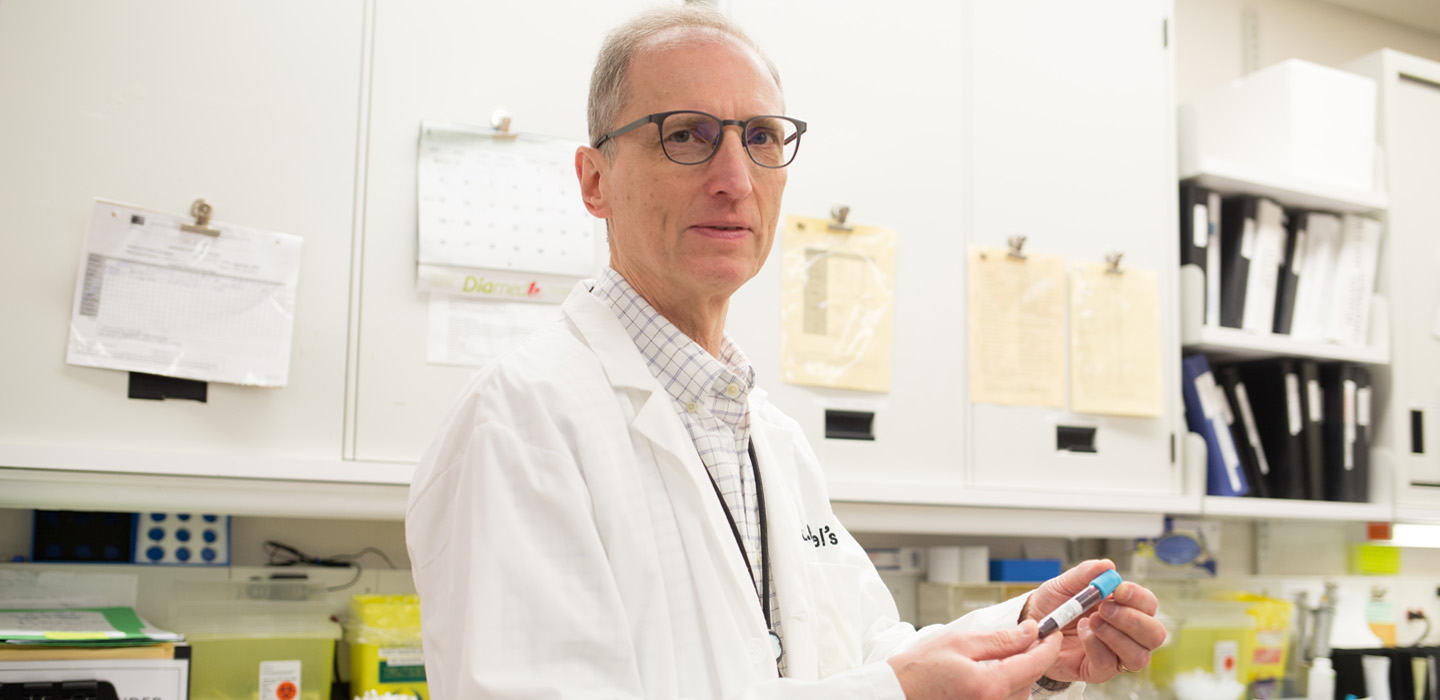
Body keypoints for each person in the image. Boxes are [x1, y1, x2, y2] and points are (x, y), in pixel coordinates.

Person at [405, 6, 1167, 699]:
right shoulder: (519, 422)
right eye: (686, 134)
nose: (734, 178)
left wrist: (1030, 635)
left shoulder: (769, 437)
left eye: (761, 137)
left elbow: (865, 654)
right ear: (594, 179)